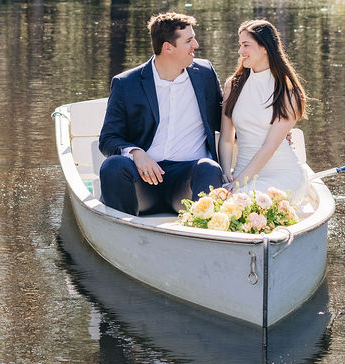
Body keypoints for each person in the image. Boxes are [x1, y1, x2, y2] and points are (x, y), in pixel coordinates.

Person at [98, 11, 225, 216]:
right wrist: (136, 153)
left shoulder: (205, 74)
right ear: (168, 48)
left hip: (187, 179)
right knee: (113, 166)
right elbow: (108, 139)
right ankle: (123, 234)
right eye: (189, 41)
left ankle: (201, 235)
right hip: (143, 181)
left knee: (209, 168)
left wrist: (268, 130)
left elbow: (225, 120)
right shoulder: (127, 83)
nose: (196, 45)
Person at [219, 19, 307, 199]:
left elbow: (269, 146)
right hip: (242, 172)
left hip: (282, 175)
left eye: (246, 45)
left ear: (265, 47)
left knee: (246, 202)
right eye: (239, 45)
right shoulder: (233, 86)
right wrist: (226, 173)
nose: (240, 51)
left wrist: (239, 183)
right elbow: (227, 138)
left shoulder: (288, 92)